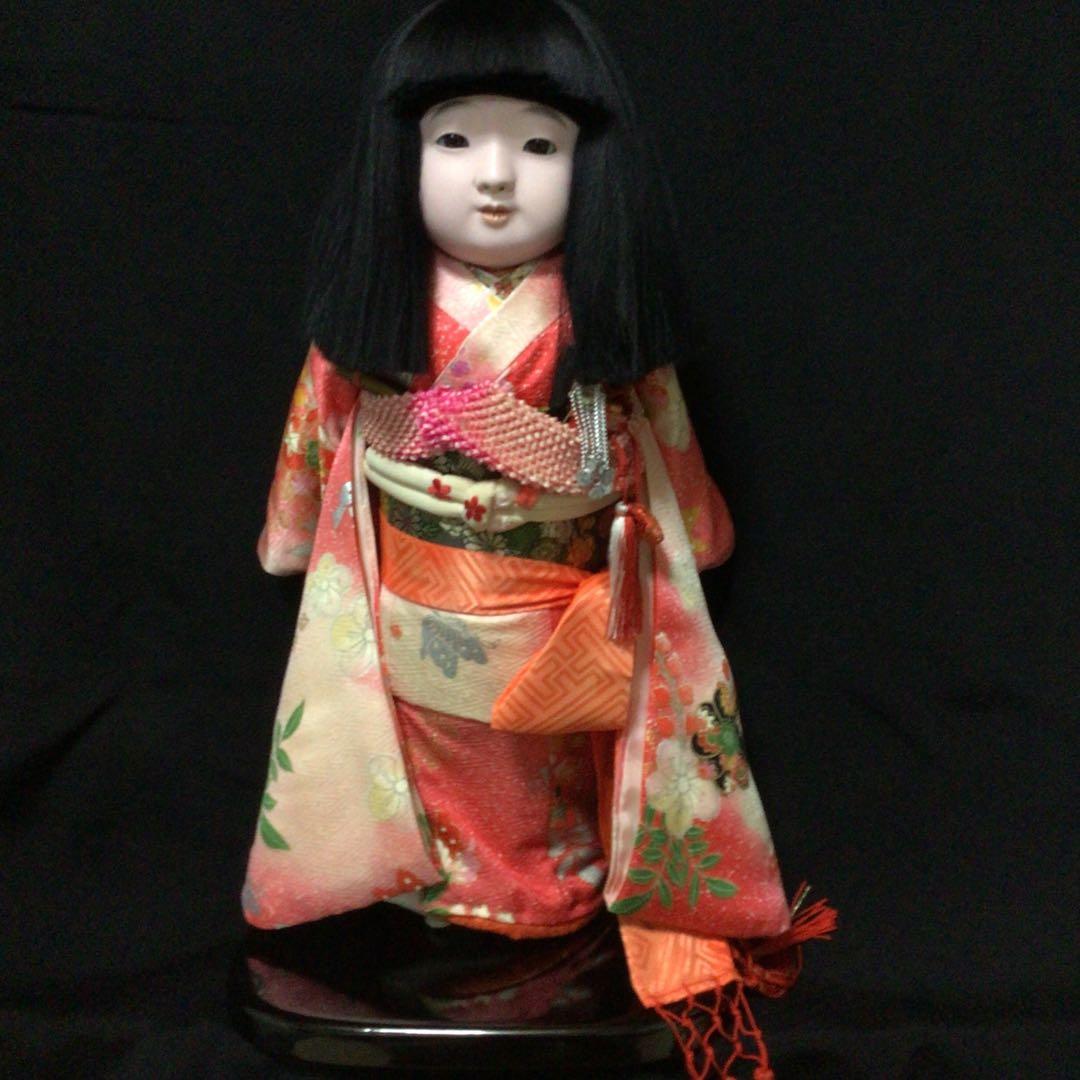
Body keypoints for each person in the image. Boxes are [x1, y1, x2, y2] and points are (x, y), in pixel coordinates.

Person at [243, 3, 832, 1075]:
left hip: (560, 614)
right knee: (422, 761)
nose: (495, 178)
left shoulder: (596, 317)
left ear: (590, 161)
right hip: (409, 596)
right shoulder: (377, 313)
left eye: (539, 145)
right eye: (455, 139)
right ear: (401, 153)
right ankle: (434, 890)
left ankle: (553, 896)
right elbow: (319, 439)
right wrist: (296, 531)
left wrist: (690, 530)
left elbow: (660, 449)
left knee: (546, 771)